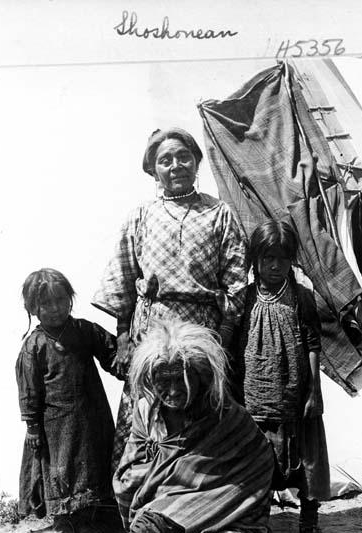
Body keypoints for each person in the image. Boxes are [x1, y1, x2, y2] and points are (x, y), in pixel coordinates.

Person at [92, 127, 248, 464]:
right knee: (148, 411)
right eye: (166, 160)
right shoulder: (141, 215)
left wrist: (222, 339)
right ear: (153, 170)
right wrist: (123, 339)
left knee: (200, 411)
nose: (176, 165)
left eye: (183, 157)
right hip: (151, 331)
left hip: (201, 333)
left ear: (196, 162)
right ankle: (143, 497)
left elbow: (236, 282)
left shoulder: (219, 214)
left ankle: (199, 502)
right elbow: (123, 277)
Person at [96, 321, 274, 533]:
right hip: (157, 509)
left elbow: (252, 469)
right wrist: (158, 477)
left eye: (182, 379)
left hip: (226, 508)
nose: (174, 390)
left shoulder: (223, 415)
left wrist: (177, 488)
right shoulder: (146, 410)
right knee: (155, 507)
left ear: (200, 377)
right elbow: (131, 468)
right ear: (150, 379)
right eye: (163, 381)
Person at [236, 219, 330, 533]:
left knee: (306, 457)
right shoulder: (243, 299)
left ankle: (308, 521)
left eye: (282, 258)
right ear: (255, 261)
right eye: (267, 258)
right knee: (257, 459)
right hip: (255, 393)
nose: (275, 266)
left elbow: (313, 343)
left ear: (292, 260)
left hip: (297, 391)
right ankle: (260, 524)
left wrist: (315, 391)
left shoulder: (303, 298)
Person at [16, 268, 121, 533]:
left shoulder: (85, 331)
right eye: (46, 303)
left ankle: (88, 520)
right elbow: (29, 391)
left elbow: (114, 356)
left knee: (91, 465)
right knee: (60, 470)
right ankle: (64, 521)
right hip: (55, 424)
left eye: (61, 300)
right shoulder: (34, 346)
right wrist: (33, 427)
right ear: (33, 307)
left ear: (70, 299)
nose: (55, 308)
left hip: (90, 417)